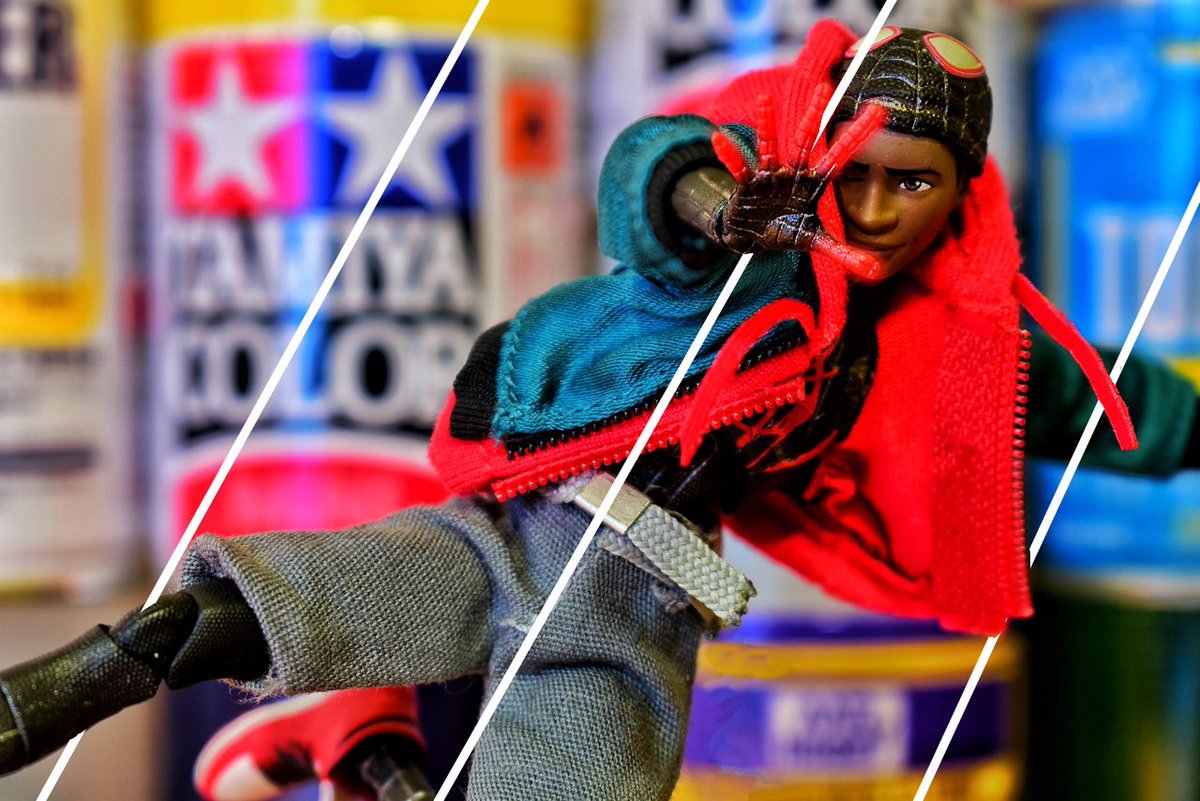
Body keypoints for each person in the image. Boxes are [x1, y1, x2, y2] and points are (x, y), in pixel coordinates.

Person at [1, 21, 1197, 801]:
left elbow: (1096, 398)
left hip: (644, 592)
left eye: (914, 183)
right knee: (271, 606)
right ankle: (59, 693)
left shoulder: (956, 351)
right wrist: (722, 204)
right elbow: (648, 174)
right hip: (534, 503)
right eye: (861, 171)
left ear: (962, 190)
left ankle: (364, 746)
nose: (877, 208)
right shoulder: (762, 226)